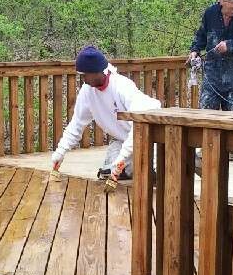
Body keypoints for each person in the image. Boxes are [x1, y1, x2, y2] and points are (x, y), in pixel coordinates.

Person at [51, 46, 161, 183]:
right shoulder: (87, 92)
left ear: (96, 71)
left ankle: (150, 169)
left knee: (152, 169)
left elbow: (139, 128)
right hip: (121, 140)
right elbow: (76, 124)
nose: (83, 79)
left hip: (149, 138)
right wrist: (60, 152)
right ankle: (133, 167)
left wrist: (122, 158)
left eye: (85, 75)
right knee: (109, 170)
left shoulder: (122, 86)